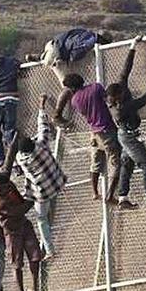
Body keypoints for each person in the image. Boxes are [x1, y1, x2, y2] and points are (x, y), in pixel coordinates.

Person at [106, 36, 146, 209]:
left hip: (126, 135)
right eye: (122, 92)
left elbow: (126, 69)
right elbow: (144, 99)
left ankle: (123, 198)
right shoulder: (122, 107)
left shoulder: (119, 91)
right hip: (129, 137)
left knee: (127, 164)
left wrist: (133, 45)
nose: (125, 91)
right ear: (117, 97)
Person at [54, 73, 123, 203]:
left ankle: (95, 192)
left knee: (96, 163)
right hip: (107, 130)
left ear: (71, 88)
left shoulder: (75, 100)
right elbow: (108, 100)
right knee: (116, 163)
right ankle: (110, 195)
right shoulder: (96, 87)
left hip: (93, 132)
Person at [14, 95, 67, 259]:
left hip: (42, 194)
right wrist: (41, 106)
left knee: (41, 219)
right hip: (58, 183)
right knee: (48, 209)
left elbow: (16, 164)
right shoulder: (42, 144)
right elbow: (43, 127)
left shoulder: (21, 159)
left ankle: (49, 249)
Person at [0, 140, 43, 291]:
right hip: (12, 232)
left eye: (9, 186)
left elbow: (20, 202)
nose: (8, 188)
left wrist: (14, 141)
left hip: (24, 225)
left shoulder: (8, 187)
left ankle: (35, 288)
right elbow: (20, 209)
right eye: (5, 187)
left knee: (35, 256)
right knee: (17, 264)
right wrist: (37, 196)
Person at [34, 28, 113, 84]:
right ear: (103, 41)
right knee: (68, 84)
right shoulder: (91, 41)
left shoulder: (84, 32)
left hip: (51, 44)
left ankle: (41, 56)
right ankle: (69, 107)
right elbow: (74, 55)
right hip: (56, 56)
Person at [0, 51, 23, 166]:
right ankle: (15, 160)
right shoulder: (11, 61)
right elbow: (19, 64)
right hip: (12, 98)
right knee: (10, 131)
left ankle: (0, 160)